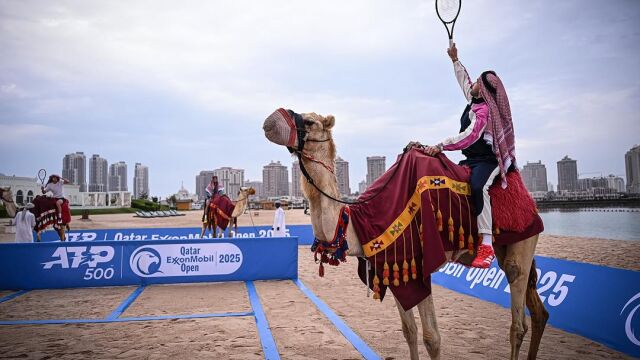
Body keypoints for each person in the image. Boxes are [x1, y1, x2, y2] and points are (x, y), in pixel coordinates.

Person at [421, 43, 517, 269]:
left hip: (489, 161)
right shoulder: (473, 100)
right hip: (471, 160)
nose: (473, 83)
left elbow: (469, 136)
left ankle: (486, 244)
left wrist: (441, 145)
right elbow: (464, 80)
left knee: (478, 187)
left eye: (479, 83)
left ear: (483, 91)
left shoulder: (483, 112)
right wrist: (455, 59)